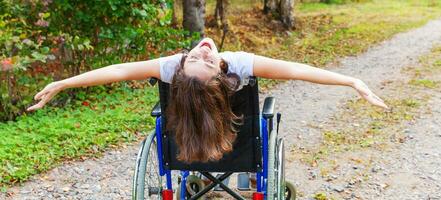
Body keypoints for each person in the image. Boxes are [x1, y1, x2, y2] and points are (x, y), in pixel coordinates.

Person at [28, 37, 388, 163]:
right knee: (257, 131)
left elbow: (120, 71)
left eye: (200, 59)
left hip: (189, 145)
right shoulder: (240, 64)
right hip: (238, 146)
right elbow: (294, 71)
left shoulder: (172, 67)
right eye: (201, 59)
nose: (202, 51)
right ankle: (247, 183)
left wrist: (350, 80)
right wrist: (62, 84)